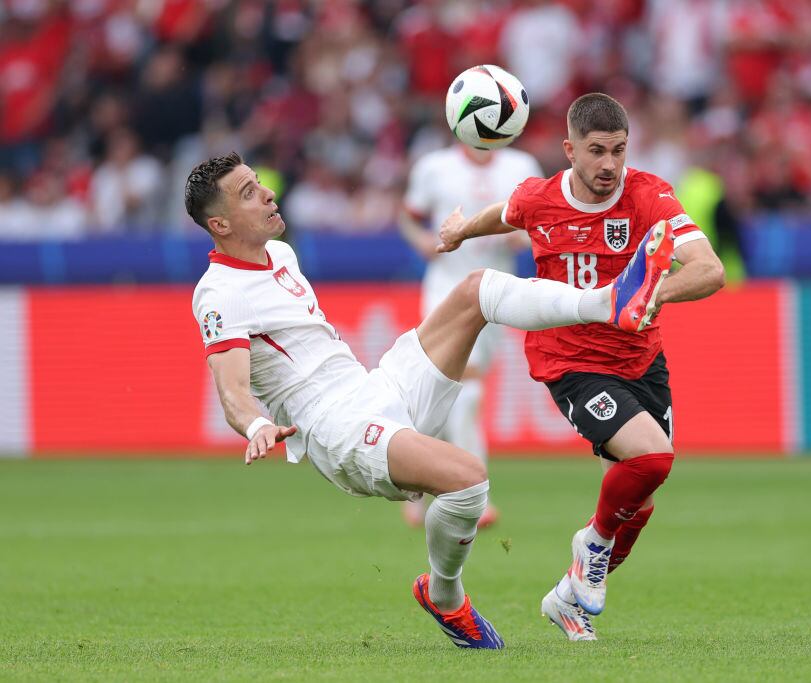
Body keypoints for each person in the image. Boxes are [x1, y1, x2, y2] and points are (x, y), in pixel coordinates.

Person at [186, 152, 674, 649]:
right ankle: (444, 596)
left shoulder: (282, 254)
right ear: (219, 223)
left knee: (476, 290)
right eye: (248, 192)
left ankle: (608, 302)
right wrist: (255, 426)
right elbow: (232, 392)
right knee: (468, 479)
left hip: (373, 387)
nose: (267, 192)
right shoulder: (220, 293)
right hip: (337, 428)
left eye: (259, 182)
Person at [437, 93, 725, 641]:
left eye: (618, 150)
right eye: (596, 151)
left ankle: (568, 597)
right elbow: (503, 216)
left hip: (640, 360)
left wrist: (652, 296)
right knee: (652, 458)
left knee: (637, 508)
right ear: (570, 149)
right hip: (569, 361)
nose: (609, 165)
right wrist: (458, 232)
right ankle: (589, 546)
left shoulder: (649, 196)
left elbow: (709, 270)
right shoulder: (539, 198)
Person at [398, 142, 543, 529]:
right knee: (462, 386)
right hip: (444, 284)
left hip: (495, 288)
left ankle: (416, 487)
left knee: (445, 395)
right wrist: (422, 241)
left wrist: (523, 238)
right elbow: (409, 217)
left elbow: (543, 222)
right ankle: (474, 494)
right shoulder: (434, 165)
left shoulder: (522, 164)